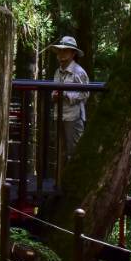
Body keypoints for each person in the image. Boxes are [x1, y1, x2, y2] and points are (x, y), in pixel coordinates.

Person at [50, 36, 90, 181]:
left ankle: (75, 182)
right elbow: (53, 91)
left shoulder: (79, 72)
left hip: (73, 116)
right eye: (60, 51)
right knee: (60, 151)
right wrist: (54, 96)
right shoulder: (57, 72)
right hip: (59, 114)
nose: (61, 54)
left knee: (74, 151)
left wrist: (66, 95)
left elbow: (85, 93)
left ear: (73, 53)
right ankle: (60, 182)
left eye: (65, 51)